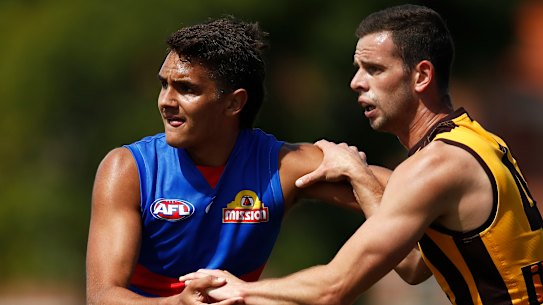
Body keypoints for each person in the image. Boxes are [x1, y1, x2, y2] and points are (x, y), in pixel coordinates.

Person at [182, 5, 543, 305]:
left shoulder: (436, 164)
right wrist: (360, 175)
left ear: (421, 76)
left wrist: (242, 289)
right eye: (358, 68)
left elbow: (334, 288)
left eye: (374, 69)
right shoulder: (474, 139)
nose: (356, 81)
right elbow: (415, 264)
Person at [85, 16, 390, 305]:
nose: (166, 101)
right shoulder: (128, 169)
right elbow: (101, 296)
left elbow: (410, 193)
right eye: (164, 84)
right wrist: (176, 302)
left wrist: (356, 170)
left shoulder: (281, 167)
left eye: (186, 89)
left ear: (234, 103)